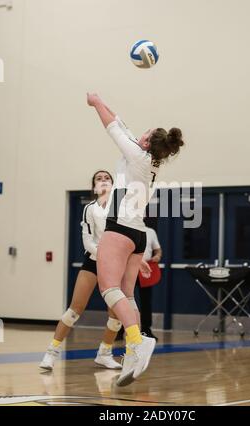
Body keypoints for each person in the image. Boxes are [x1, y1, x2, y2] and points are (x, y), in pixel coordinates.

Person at [87, 92, 184, 386]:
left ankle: (136, 339)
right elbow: (120, 122)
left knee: (108, 288)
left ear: (147, 141)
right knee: (127, 294)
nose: (140, 133)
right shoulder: (149, 159)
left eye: (145, 132)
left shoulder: (137, 155)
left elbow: (112, 127)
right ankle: (132, 352)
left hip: (120, 227)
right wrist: (103, 102)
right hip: (137, 233)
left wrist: (94, 103)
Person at [40, 170, 122, 371]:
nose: (103, 180)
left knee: (116, 314)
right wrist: (103, 256)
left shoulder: (122, 208)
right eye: (99, 178)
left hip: (116, 265)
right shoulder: (89, 209)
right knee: (74, 309)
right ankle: (51, 353)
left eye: (107, 178)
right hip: (94, 262)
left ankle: (104, 353)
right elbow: (88, 240)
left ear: (113, 185)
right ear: (94, 187)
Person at [137, 225, 162, 340]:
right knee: (124, 300)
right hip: (128, 267)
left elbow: (158, 250)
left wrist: (157, 256)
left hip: (146, 268)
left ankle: (146, 330)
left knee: (146, 301)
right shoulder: (125, 229)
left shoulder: (150, 231)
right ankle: (120, 329)